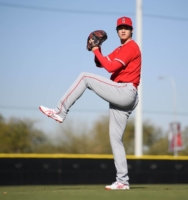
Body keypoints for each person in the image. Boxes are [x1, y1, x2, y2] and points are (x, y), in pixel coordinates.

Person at [39, 16, 141, 190]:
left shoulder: (131, 47)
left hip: (125, 91)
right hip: (123, 95)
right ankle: (123, 181)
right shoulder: (119, 49)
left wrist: (95, 49)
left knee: (85, 77)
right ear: (117, 31)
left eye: (127, 27)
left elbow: (110, 68)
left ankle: (60, 111)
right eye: (120, 27)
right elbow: (101, 63)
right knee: (116, 140)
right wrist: (98, 48)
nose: (123, 30)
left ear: (132, 30)